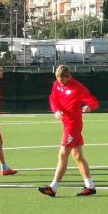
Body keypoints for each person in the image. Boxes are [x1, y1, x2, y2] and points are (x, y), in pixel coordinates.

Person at [38, 65, 100, 197]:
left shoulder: (78, 88)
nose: (60, 83)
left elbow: (94, 101)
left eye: (63, 80)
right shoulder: (57, 84)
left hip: (73, 125)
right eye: (58, 80)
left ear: (69, 76)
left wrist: (89, 106)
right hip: (66, 124)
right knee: (77, 156)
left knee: (63, 154)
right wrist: (56, 110)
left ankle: (53, 188)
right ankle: (90, 186)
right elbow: (53, 98)